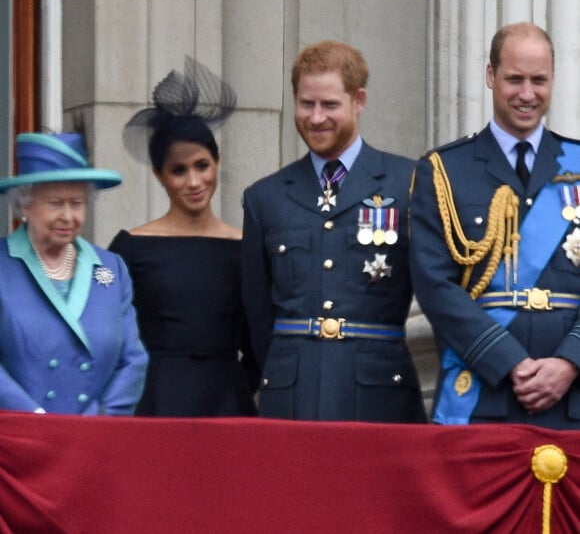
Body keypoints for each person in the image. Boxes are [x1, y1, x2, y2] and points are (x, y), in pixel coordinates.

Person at [241, 40, 426, 422]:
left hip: (379, 394)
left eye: (329, 105)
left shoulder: (408, 183)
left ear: (359, 100)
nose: (316, 117)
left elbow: (435, 287)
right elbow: (257, 314)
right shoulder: (265, 197)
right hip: (293, 396)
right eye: (307, 103)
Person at [410, 22, 580, 429]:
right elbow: (434, 284)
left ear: (553, 80)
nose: (527, 94)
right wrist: (509, 361)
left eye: (538, 80)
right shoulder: (445, 170)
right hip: (484, 395)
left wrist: (569, 361)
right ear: (490, 76)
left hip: (573, 397)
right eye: (514, 79)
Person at [109, 58, 258, 417]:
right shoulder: (129, 248)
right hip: (154, 404)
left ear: (217, 163)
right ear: (160, 175)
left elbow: (259, 342)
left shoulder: (247, 247)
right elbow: (109, 336)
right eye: (179, 170)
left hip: (228, 405)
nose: (193, 182)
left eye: (202, 165)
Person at [0, 132, 148, 414]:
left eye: (77, 203)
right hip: (18, 438)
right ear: (25, 205)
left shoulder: (110, 268)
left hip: (94, 439)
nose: (68, 216)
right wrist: (33, 418)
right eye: (56, 203)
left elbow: (133, 360)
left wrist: (99, 417)